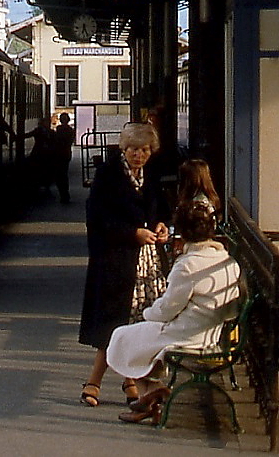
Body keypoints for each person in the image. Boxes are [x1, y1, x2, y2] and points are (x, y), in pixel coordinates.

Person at [105, 200, 241, 424]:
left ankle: (150, 395)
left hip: (187, 336)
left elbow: (167, 309)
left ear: (184, 235)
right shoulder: (228, 261)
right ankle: (149, 400)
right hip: (211, 333)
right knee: (139, 337)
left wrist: (147, 314)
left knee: (122, 335)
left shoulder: (188, 264)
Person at [78, 122, 171, 408]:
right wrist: (132, 233)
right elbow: (96, 219)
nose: (139, 155)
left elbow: (161, 209)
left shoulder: (151, 174)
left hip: (146, 264)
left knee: (136, 325)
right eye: (133, 150)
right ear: (124, 149)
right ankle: (94, 383)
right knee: (114, 325)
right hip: (115, 260)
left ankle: (130, 381)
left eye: (144, 150)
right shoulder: (108, 175)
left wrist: (162, 226)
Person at [52, 112, 77, 204]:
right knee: (64, 173)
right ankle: (65, 194)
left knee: (59, 175)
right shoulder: (71, 130)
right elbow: (71, 141)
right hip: (67, 153)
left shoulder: (58, 129)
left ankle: (63, 194)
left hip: (58, 153)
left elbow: (56, 140)